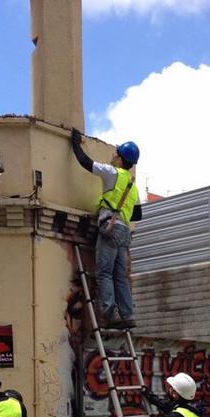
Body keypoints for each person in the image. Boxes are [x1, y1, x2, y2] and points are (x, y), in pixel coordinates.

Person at [71, 128, 142, 329]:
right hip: (125, 233)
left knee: (104, 273)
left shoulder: (112, 173)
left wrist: (75, 143)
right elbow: (138, 215)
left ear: (120, 159)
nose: (112, 155)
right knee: (120, 276)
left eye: (115, 153)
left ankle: (109, 314)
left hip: (110, 227)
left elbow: (86, 163)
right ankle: (127, 315)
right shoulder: (132, 185)